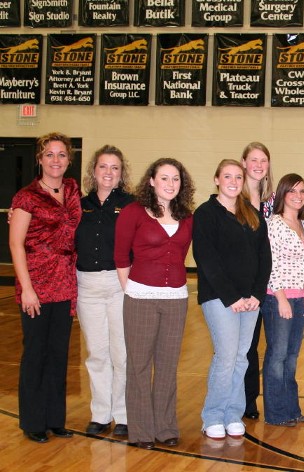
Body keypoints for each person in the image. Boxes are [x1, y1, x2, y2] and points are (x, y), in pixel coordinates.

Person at [114, 158, 195, 450]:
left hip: (176, 299)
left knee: (167, 366)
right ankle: (140, 431)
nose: (170, 184)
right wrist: (132, 289)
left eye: (176, 179)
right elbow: (121, 256)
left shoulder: (187, 216)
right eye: (164, 178)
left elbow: (182, 254)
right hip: (140, 298)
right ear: (151, 181)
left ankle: (165, 427)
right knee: (139, 366)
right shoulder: (133, 212)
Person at [9, 132, 81, 444]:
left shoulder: (73, 190)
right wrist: (26, 289)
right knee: (35, 353)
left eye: (61, 154)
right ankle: (33, 421)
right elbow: (16, 244)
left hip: (65, 282)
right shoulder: (26, 197)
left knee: (58, 354)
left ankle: (54, 419)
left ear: (69, 160)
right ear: (39, 159)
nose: (56, 160)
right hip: (36, 283)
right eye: (49, 154)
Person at [194, 159, 271, 439]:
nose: (233, 182)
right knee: (226, 356)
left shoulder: (251, 213)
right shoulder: (206, 213)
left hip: (250, 300)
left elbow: (264, 257)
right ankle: (213, 415)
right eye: (227, 176)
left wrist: (257, 294)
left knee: (241, 357)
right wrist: (232, 297)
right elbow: (207, 259)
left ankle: (232, 413)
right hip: (220, 298)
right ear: (217, 179)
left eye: (238, 177)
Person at [75, 145, 134, 437]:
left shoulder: (132, 205)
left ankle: (123, 415)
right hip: (86, 286)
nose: (108, 172)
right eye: (103, 166)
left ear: (121, 174)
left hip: (119, 283)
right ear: (93, 171)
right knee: (97, 353)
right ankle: (100, 413)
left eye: (115, 167)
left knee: (121, 353)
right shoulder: (79, 204)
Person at [261, 173, 304, 427]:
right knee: (278, 355)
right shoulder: (274, 224)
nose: (298, 196)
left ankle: (292, 409)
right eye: (292, 191)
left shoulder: (303, 224)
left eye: (302, 191)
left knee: (291, 357)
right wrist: (280, 298)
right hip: (277, 298)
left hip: (299, 297)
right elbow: (269, 264)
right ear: (283, 194)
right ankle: (276, 413)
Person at [240, 142, 275, 420]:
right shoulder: (232, 198)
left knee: (258, 345)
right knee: (241, 347)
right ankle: (239, 399)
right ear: (243, 163)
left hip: (268, 284)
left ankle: (252, 399)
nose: (258, 165)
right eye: (253, 160)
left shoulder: (272, 202)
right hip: (241, 284)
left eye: (263, 160)